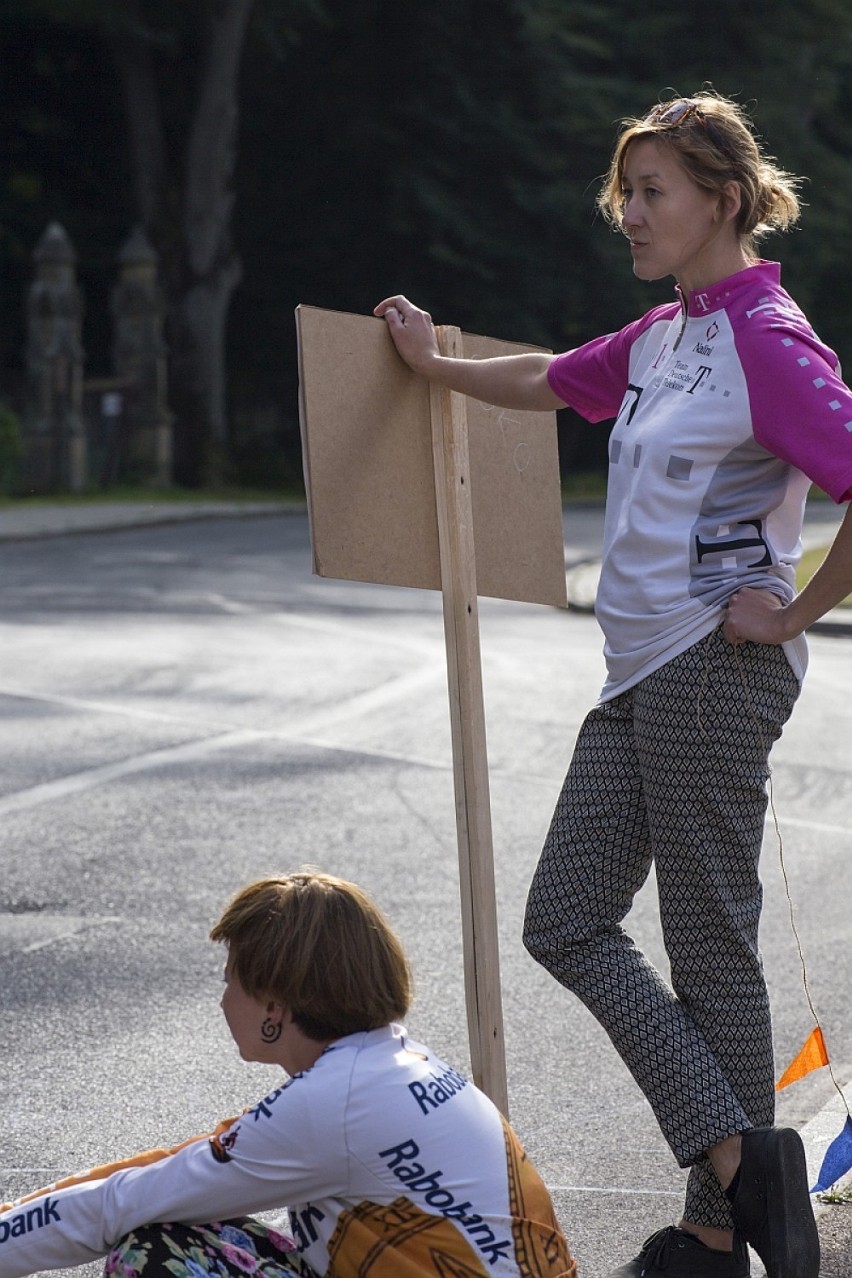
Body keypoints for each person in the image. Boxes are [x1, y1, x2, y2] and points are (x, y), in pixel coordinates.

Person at [374, 90, 852, 1278]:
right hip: (638, 671)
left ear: (723, 202)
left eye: (653, 194)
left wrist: (794, 607)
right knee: (568, 918)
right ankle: (746, 1180)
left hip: (714, 670)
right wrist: (438, 363)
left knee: (706, 948)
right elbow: (553, 379)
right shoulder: (664, 335)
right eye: (623, 192)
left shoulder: (766, 337)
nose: (628, 214)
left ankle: (713, 1226)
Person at [0, 870, 577, 1278]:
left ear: (275, 1006)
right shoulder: (385, 1066)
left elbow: (123, 1205)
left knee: (153, 1254)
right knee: (191, 1229)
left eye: (230, 979)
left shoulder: (334, 1103)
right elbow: (170, 1169)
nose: (223, 999)